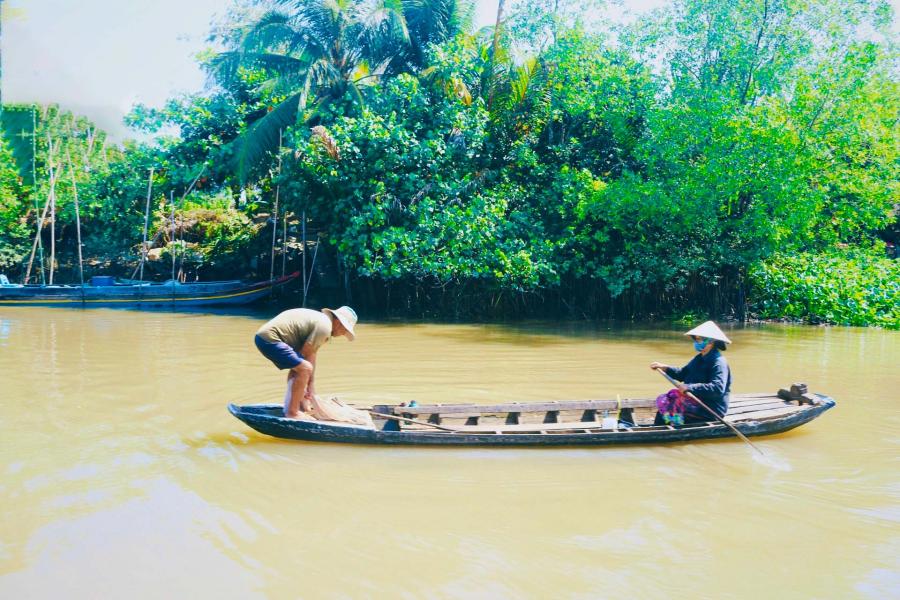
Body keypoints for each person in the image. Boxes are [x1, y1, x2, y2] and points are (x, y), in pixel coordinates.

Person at [254, 306, 357, 419]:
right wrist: (308, 389)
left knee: (302, 368)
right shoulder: (324, 327)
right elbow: (305, 358)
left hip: (265, 338)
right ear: (338, 322)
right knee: (304, 369)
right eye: (345, 330)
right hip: (270, 339)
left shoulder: (322, 321)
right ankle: (292, 412)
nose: (343, 334)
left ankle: (294, 406)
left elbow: (311, 354)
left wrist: (310, 385)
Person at [649, 321, 732, 425]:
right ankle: (669, 426)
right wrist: (665, 368)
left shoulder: (718, 362)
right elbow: (682, 373)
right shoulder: (699, 358)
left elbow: (717, 388)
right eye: (696, 339)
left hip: (710, 409)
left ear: (711, 342)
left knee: (667, 411)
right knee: (667, 402)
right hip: (696, 401)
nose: (696, 342)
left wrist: (690, 387)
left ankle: (668, 430)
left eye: (699, 339)